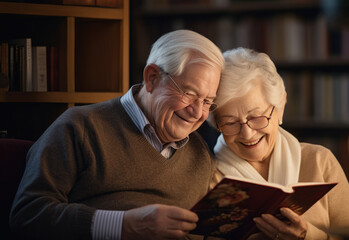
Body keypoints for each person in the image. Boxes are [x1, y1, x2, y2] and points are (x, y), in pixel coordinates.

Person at [9, 29, 224, 240]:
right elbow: (28, 215)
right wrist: (123, 226)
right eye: (189, 93)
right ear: (152, 78)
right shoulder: (80, 127)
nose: (197, 113)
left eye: (207, 101)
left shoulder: (201, 154)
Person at [207, 47, 349, 239]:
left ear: (280, 107)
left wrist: (309, 236)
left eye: (257, 117)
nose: (247, 133)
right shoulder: (208, 178)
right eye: (231, 122)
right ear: (216, 123)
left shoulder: (319, 162)